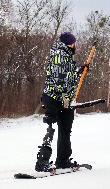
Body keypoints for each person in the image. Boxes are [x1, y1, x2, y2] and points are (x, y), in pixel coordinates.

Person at [35, 32, 87, 172]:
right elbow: (60, 81)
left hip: (64, 99)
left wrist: (78, 72)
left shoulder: (66, 56)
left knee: (65, 129)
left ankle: (63, 160)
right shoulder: (59, 55)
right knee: (51, 126)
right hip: (54, 97)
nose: (75, 45)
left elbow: (67, 76)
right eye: (74, 43)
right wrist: (74, 80)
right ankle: (42, 161)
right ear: (69, 43)